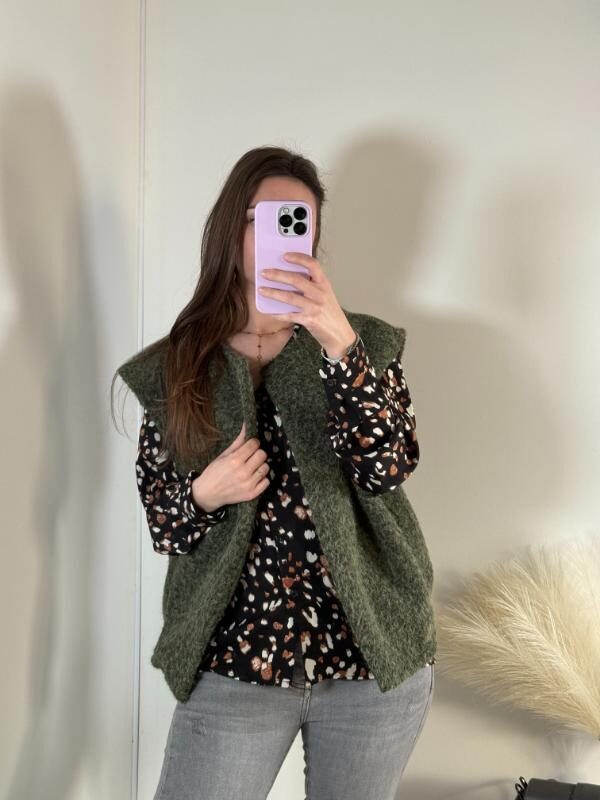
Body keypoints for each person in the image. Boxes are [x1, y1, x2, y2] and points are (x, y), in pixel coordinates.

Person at [113, 146, 435, 800]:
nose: (283, 234)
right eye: (265, 218)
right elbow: (165, 524)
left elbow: (388, 466)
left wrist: (339, 342)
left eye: (298, 221)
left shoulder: (365, 344)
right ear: (232, 229)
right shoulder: (178, 366)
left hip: (369, 661)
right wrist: (205, 494)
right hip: (236, 665)